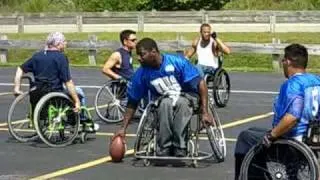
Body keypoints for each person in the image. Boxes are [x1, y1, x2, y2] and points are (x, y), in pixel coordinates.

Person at [114, 38, 214, 157]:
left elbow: (201, 83)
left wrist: (205, 111)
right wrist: (123, 128)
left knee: (182, 103)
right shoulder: (141, 74)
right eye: (138, 55)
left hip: (188, 96)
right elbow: (133, 102)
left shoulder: (177, 62)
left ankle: (180, 146)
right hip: (164, 99)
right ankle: (164, 145)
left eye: (142, 54)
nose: (139, 58)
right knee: (165, 103)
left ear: (153, 52)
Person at [234, 44, 320, 179]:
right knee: (253, 131)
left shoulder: (293, 84)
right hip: (310, 139)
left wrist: (271, 135)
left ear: (289, 61)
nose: (283, 64)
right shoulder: (316, 81)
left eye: (284, 60)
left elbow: (292, 117)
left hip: (292, 142)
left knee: (245, 138)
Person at [13, 32, 98, 132]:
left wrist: (16, 88)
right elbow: (68, 81)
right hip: (55, 93)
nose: (66, 43)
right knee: (79, 92)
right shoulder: (61, 57)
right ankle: (79, 120)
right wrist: (77, 101)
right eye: (64, 41)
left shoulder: (37, 56)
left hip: (37, 92)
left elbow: (20, 69)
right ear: (58, 44)